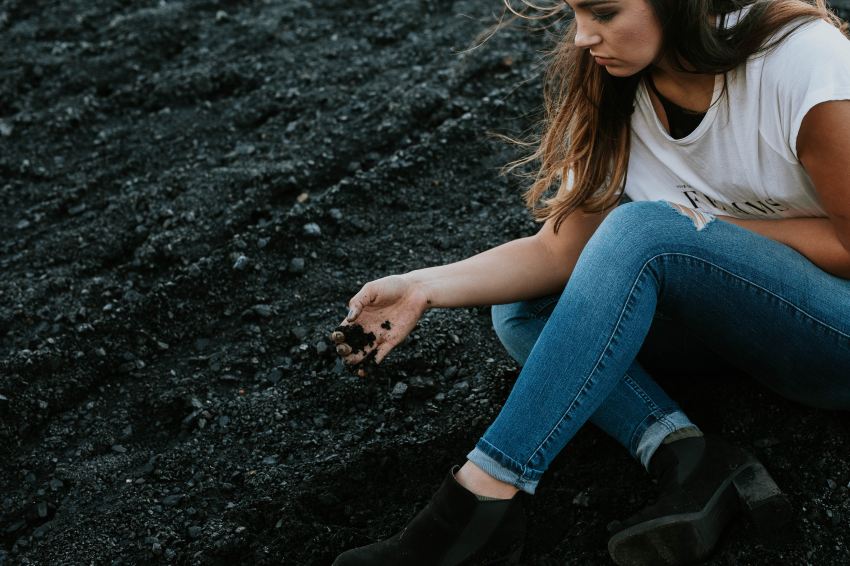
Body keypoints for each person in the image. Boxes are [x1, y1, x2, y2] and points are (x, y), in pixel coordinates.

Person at [331, 0, 850, 564]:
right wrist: (423, 285)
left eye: (603, 12)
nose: (581, 37)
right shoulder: (615, 84)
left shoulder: (800, 60)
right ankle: (688, 457)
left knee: (645, 230)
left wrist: (701, 231)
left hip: (835, 336)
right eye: (576, 12)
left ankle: (477, 507)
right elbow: (561, 249)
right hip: (751, 328)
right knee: (526, 308)